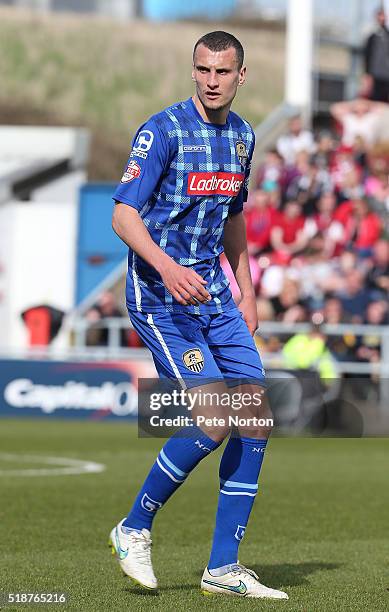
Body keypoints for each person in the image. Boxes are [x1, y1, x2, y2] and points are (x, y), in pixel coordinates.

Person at [110, 31, 288, 600]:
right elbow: (123, 216)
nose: (211, 80)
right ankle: (133, 527)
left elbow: (233, 218)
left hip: (215, 296)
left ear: (242, 75)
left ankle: (222, 568)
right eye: (202, 70)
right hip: (162, 296)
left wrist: (248, 290)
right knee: (214, 415)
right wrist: (165, 268)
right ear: (194, 72)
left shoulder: (243, 136)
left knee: (254, 417)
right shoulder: (160, 131)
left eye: (222, 71)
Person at [362, 7, 389, 102]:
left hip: (386, 75)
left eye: (383, 15)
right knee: (375, 100)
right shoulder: (372, 36)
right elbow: (367, 56)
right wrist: (367, 75)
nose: (382, 18)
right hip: (376, 76)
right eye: (380, 15)